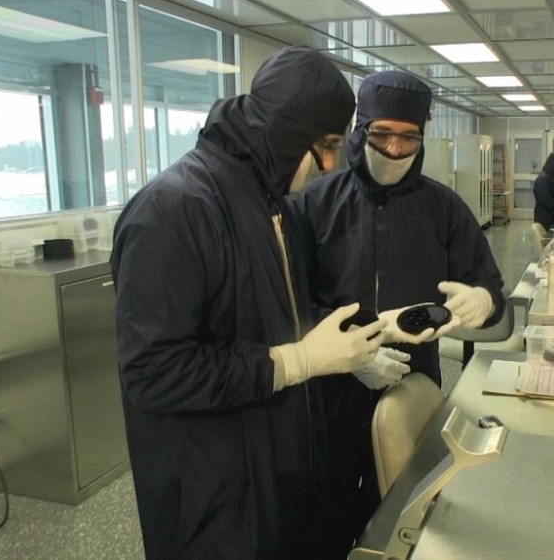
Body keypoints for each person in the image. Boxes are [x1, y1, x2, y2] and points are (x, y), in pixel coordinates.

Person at [110, 46, 386, 559]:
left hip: (278, 477)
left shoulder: (272, 203)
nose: (330, 165)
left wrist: (362, 336)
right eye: (325, 145)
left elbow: (272, 316)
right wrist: (294, 362)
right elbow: (153, 371)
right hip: (215, 504)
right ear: (284, 131)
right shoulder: (174, 211)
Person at [286, 70, 507, 559]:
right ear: (361, 129)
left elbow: (492, 287)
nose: (394, 149)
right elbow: (289, 305)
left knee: (405, 515)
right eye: (382, 134)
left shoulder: (443, 209)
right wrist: (350, 355)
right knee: (326, 514)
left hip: (413, 384)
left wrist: (484, 300)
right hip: (328, 394)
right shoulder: (313, 205)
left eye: (409, 137)